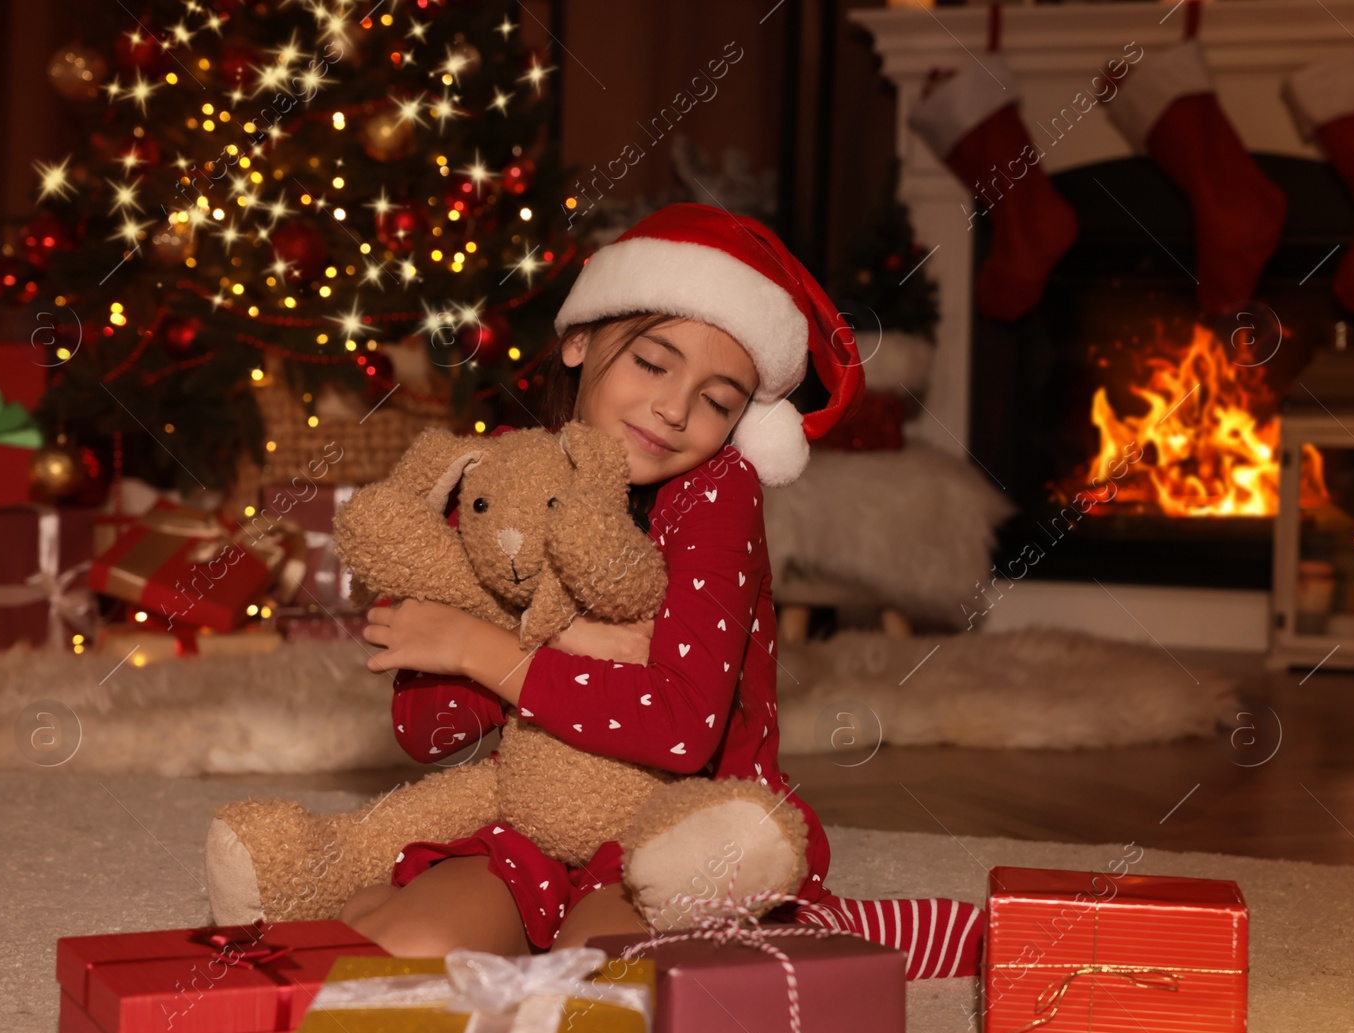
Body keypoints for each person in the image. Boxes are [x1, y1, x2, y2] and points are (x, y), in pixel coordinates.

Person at [339, 203, 984, 980]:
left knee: (604, 981)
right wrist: (532, 631)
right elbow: (429, 731)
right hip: (532, 811)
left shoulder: (717, 493)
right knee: (398, 958)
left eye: (718, 400)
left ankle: (821, 935)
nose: (675, 409)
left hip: (676, 828)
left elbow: (680, 727)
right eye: (653, 363)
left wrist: (485, 645)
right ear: (579, 338)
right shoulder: (505, 473)